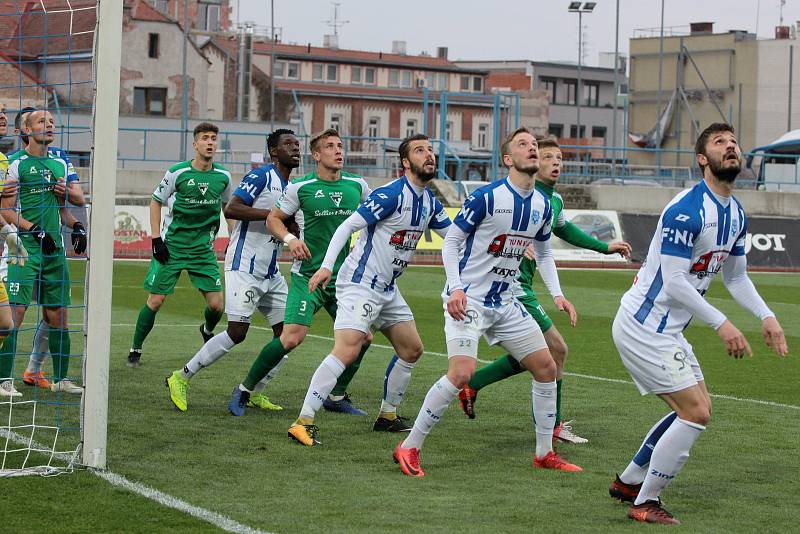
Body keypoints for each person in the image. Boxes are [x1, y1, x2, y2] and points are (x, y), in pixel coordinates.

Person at [608, 123, 788, 525]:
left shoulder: (736, 212)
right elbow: (673, 281)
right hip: (643, 324)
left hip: (668, 329)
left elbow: (736, 277)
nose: (731, 147)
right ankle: (645, 501)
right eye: (720, 143)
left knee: (695, 408)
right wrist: (723, 324)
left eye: (734, 142)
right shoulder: (687, 209)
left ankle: (629, 480)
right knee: (696, 412)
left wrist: (766, 316)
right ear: (702, 159)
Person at [393, 127, 582, 477]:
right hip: (471, 300)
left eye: (535, 145)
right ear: (508, 159)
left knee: (546, 367)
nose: (533, 149)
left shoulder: (542, 204)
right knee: (461, 372)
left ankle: (544, 453)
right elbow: (451, 242)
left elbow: (543, 253)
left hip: (507, 302)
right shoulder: (488, 197)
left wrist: (557, 294)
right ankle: (409, 446)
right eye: (523, 145)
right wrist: (455, 288)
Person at [458, 137, 632, 444]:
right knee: (557, 350)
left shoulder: (553, 202)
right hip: (508, 288)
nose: (554, 162)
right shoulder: (520, 194)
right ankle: (551, 426)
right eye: (548, 156)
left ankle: (474, 383)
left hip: (523, 287)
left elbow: (563, 229)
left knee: (543, 353)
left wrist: (604, 247)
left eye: (559, 158)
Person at [287, 134, 452, 446]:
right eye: (420, 151)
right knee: (348, 349)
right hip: (360, 284)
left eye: (431, 150)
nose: (429, 155)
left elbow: (456, 236)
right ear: (405, 162)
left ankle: (387, 416)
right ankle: (302, 420)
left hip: (387, 288)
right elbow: (347, 226)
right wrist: (325, 265)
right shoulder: (391, 194)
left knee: (411, 349)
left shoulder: (429, 202)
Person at [227, 129, 371, 416]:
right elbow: (273, 219)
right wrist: (291, 240)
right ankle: (244, 389)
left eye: (340, 146)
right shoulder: (300, 187)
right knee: (291, 337)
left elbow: (374, 218)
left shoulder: (358, 186)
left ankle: (336, 395)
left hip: (343, 281)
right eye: (330, 147)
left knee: (364, 338)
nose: (338, 151)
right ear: (316, 155)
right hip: (308, 277)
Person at [165, 129, 300, 411]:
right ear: (274, 152)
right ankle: (181, 377)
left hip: (271, 271)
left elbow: (285, 224)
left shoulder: (292, 186)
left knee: (288, 336)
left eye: (298, 144)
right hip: (244, 266)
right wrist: (273, 216)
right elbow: (232, 209)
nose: (296, 148)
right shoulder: (261, 176)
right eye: (288, 144)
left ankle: (255, 391)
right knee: (238, 332)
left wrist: (292, 227)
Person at [127, 122, 232, 368]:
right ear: (195, 144)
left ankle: (206, 329)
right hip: (172, 246)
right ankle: (136, 348)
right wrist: (156, 239)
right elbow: (155, 201)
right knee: (155, 301)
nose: (210, 142)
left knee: (217, 306)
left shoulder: (223, 177)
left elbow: (228, 209)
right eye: (205, 138)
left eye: (213, 138)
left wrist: (233, 239)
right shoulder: (177, 172)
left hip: (203, 249)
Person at [0, 105, 86, 390]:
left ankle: (61, 379)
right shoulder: (15, 164)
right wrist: (33, 230)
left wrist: (76, 226)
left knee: (58, 313)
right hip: (22, 250)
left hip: (53, 250)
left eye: (51, 121)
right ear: (26, 130)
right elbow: (7, 211)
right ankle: (3, 380)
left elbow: (62, 208)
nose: (49, 125)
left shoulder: (59, 164)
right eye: (41, 121)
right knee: (16, 313)